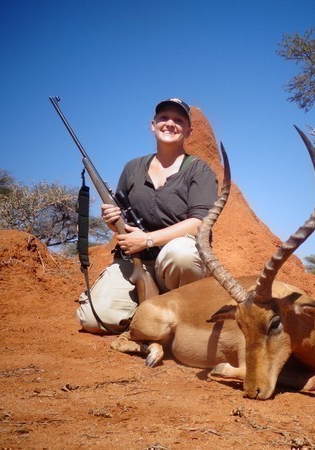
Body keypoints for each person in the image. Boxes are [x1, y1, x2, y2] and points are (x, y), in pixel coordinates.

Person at [76, 98, 218, 334]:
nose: (170, 123)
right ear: (153, 124)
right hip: (134, 262)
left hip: (174, 265)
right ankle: (150, 312)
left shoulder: (199, 169)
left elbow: (200, 223)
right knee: (94, 320)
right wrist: (113, 220)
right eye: (163, 118)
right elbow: (123, 225)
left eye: (179, 120)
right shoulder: (132, 167)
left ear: (189, 130)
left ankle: (184, 317)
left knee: (182, 254)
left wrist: (148, 239)